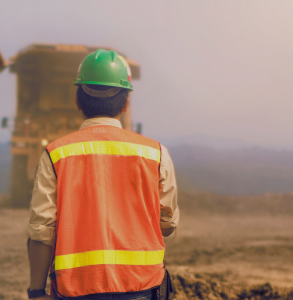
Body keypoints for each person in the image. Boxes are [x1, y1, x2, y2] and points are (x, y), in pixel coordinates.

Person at [25, 49, 180, 300]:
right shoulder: (156, 154)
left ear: (78, 101)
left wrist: (36, 291)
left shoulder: (56, 155)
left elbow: (42, 231)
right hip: (143, 288)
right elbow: (168, 224)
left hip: (76, 290)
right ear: (126, 102)